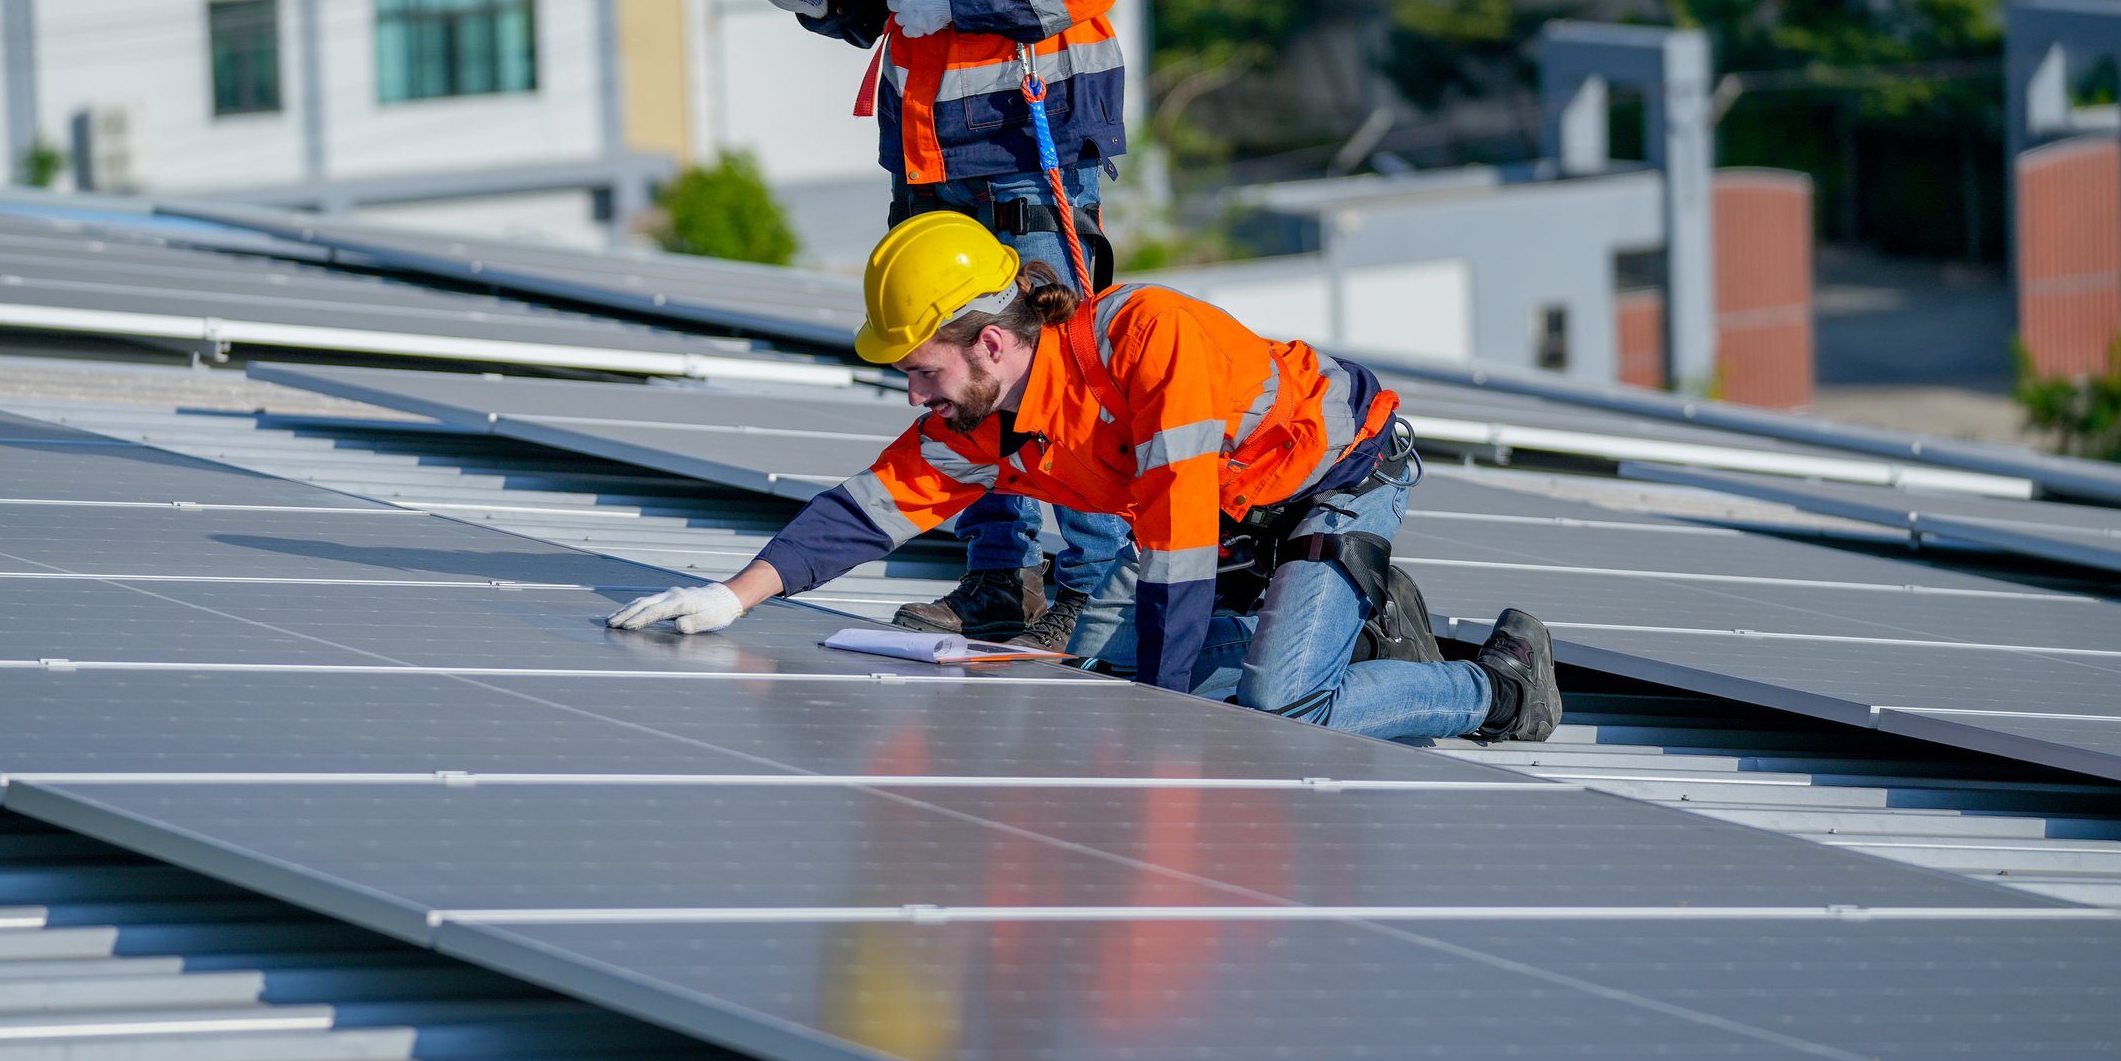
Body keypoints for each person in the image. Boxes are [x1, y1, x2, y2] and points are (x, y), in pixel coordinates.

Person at [610, 213, 1561, 745]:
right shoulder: (987, 418)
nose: (912, 394)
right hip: (1237, 518)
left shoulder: (1150, 342)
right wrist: (734, 599)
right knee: (1108, 669)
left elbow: (1181, 549)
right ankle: (1340, 628)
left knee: (1274, 711)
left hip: (1335, 474)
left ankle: (1497, 688)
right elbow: (869, 510)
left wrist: (1174, 723)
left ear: (989, 342)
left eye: (919, 369)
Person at [736, 0, 1141, 654]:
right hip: (926, 151)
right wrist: (827, 1)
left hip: (1029, 143)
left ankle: (1094, 591)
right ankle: (998, 583)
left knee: (1060, 375)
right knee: (962, 377)